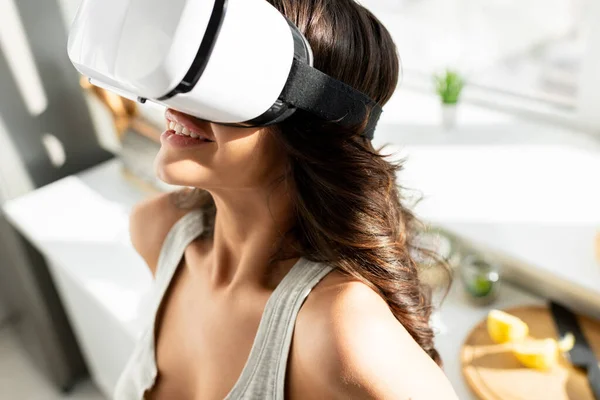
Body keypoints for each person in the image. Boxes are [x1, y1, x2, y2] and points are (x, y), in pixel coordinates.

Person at [115, 0, 458, 398]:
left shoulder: (338, 327)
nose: (181, 100)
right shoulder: (157, 230)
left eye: (230, 80)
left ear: (316, 122)